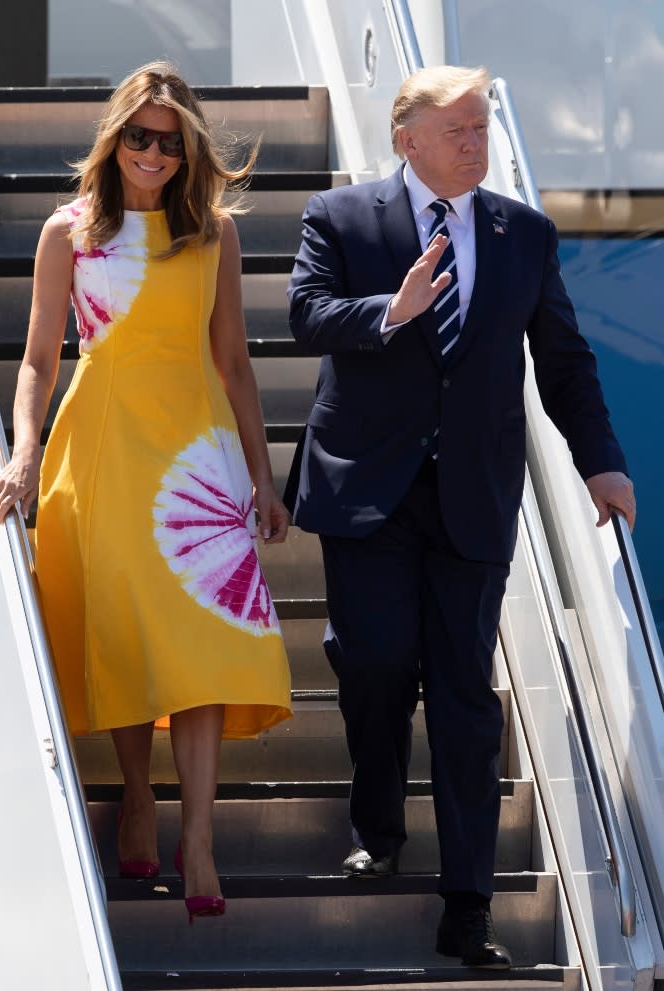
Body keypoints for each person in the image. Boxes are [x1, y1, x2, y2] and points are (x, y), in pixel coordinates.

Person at [284, 65, 635, 968]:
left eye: (482, 127)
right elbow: (306, 315)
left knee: (466, 699)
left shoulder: (523, 233)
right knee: (372, 664)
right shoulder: (341, 217)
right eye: (458, 131)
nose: (477, 143)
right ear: (407, 139)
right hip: (366, 488)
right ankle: (377, 821)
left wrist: (599, 462)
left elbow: (562, 359)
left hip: (472, 495)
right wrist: (388, 310)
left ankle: (467, 903)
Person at [0, 60, 292, 924]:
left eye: (169, 140)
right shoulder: (70, 231)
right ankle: (134, 792)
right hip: (105, 448)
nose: (153, 152)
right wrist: (22, 450)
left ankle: (197, 833)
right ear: (114, 136)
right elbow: (41, 357)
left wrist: (264, 477)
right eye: (138, 136)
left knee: (199, 642)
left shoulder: (214, 236)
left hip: (200, 462)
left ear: (189, 147)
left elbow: (234, 361)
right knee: (123, 638)